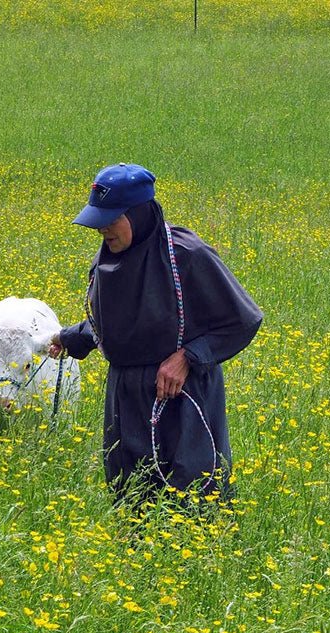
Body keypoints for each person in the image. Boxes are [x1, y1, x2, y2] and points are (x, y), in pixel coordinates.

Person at [50, 163, 262, 502]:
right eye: (99, 220)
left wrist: (188, 358)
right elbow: (114, 324)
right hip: (126, 397)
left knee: (193, 494)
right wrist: (70, 338)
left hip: (183, 395)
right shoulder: (107, 261)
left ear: (138, 214)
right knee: (130, 495)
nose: (103, 229)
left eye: (112, 219)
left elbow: (243, 320)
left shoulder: (186, 255)